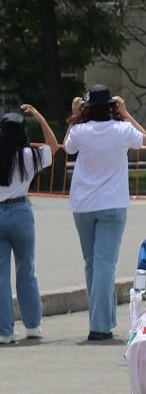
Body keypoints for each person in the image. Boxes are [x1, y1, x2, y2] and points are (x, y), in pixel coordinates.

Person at [0, 106, 58, 344]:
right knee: (26, 270)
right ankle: (33, 325)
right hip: (21, 212)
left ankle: (5, 331)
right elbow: (54, 146)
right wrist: (39, 116)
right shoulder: (29, 156)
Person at [63, 85, 146, 341]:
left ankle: (103, 319)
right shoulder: (121, 130)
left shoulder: (79, 130)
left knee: (93, 264)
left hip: (83, 204)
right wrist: (125, 111)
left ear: (87, 107)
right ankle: (99, 326)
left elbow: (67, 147)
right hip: (113, 203)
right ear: (111, 106)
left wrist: (74, 114)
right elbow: (144, 138)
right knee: (104, 265)